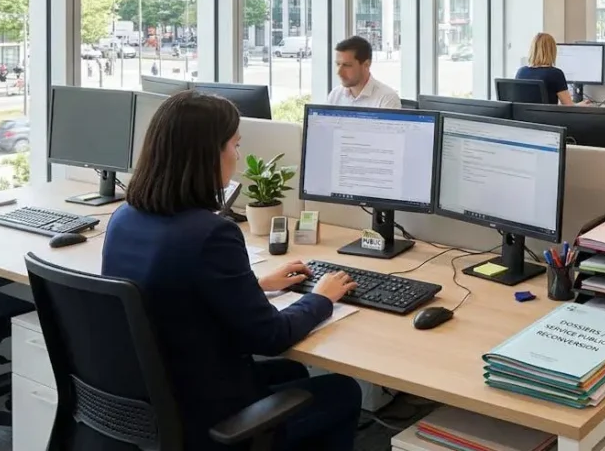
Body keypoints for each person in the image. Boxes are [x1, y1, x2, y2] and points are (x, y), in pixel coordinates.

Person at [102, 91, 361, 451]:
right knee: (343, 389)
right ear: (208, 154)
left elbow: (173, 293)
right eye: (235, 146)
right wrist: (322, 298)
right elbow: (271, 337)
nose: (237, 157)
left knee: (294, 373)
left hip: (152, 401)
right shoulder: (212, 234)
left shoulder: (124, 218)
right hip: (206, 419)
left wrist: (257, 284)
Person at [328, 35, 401, 108]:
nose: (339, 72)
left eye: (347, 65)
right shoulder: (335, 95)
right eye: (338, 64)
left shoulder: (386, 98)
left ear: (366, 64)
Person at [515, 32, 575, 105]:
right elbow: (569, 106)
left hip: (523, 116)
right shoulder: (555, 74)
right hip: (547, 116)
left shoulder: (521, 72)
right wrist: (580, 106)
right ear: (552, 51)